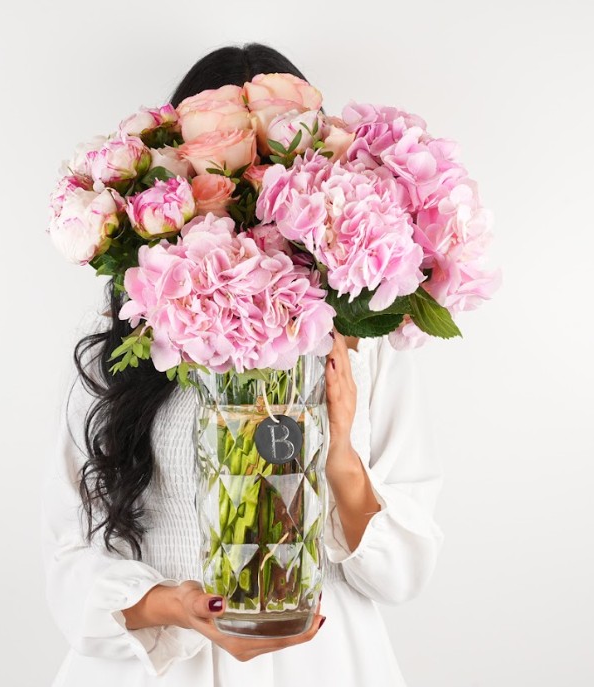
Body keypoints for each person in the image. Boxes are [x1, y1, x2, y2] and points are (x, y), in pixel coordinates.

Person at [40, 43, 445, 687]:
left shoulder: (358, 346)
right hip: (161, 664)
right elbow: (69, 558)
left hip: (321, 662)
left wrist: (340, 456)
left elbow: (402, 573)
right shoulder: (120, 354)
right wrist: (180, 606)